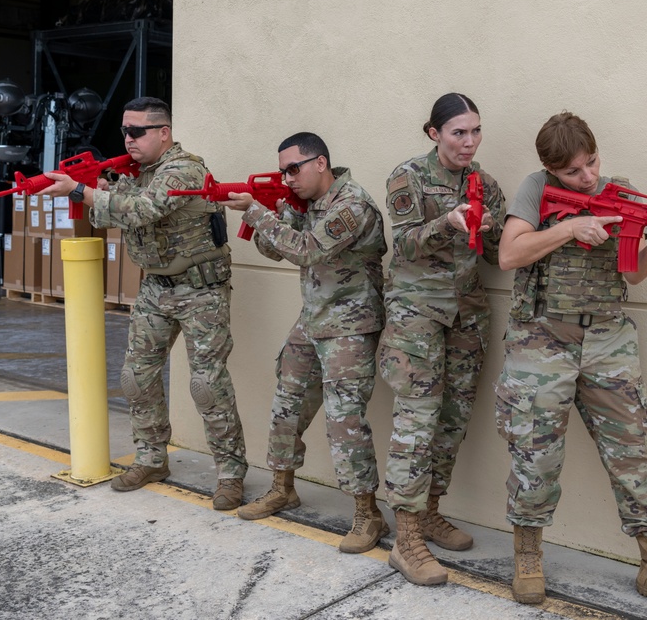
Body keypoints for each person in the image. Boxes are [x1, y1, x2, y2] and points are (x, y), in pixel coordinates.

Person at [493, 111, 647, 614]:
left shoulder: (624, 194)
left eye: (592, 164)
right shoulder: (534, 189)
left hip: (608, 339)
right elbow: (509, 255)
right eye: (573, 173)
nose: (587, 177)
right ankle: (527, 555)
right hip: (542, 338)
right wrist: (571, 228)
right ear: (550, 171)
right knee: (535, 452)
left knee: (632, 449)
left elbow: (633, 277)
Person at [40, 96, 247, 510]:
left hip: (201, 287)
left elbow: (142, 211)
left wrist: (83, 190)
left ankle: (230, 473)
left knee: (207, 384)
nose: (128, 139)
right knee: (136, 376)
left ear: (164, 132)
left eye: (137, 131)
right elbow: (106, 216)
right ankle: (152, 458)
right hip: (156, 286)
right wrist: (95, 189)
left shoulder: (183, 168)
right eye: (124, 131)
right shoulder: (137, 172)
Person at [219, 133, 389, 554]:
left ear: (321, 163)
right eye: (282, 171)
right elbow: (278, 250)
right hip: (313, 320)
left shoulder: (353, 205)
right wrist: (274, 213)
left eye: (294, 168)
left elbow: (307, 251)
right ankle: (283, 488)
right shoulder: (310, 205)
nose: (287, 177)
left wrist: (258, 212)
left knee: (344, 420)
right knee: (287, 404)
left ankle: (369, 515)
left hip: (350, 325)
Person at [380, 92, 507, 586]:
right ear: (434, 134)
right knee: (417, 419)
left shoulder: (486, 184)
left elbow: (496, 258)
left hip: (468, 315)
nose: (469, 142)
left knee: (452, 421)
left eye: (476, 131)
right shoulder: (407, 175)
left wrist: (492, 230)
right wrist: (446, 221)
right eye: (459, 132)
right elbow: (404, 244)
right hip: (417, 314)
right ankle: (406, 538)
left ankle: (430, 510)